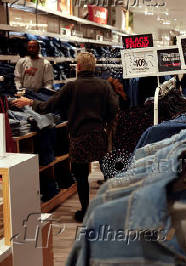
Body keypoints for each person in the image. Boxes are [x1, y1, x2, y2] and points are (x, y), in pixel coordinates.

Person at [12, 52, 119, 222]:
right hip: (99, 135)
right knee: (107, 172)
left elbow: (49, 106)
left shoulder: (71, 87)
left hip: (79, 137)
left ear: (78, 67)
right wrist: (103, 122)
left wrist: (30, 102)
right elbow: (113, 110)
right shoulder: (104, 86)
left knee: (82, 176)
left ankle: (85, 212)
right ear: (93, 67)